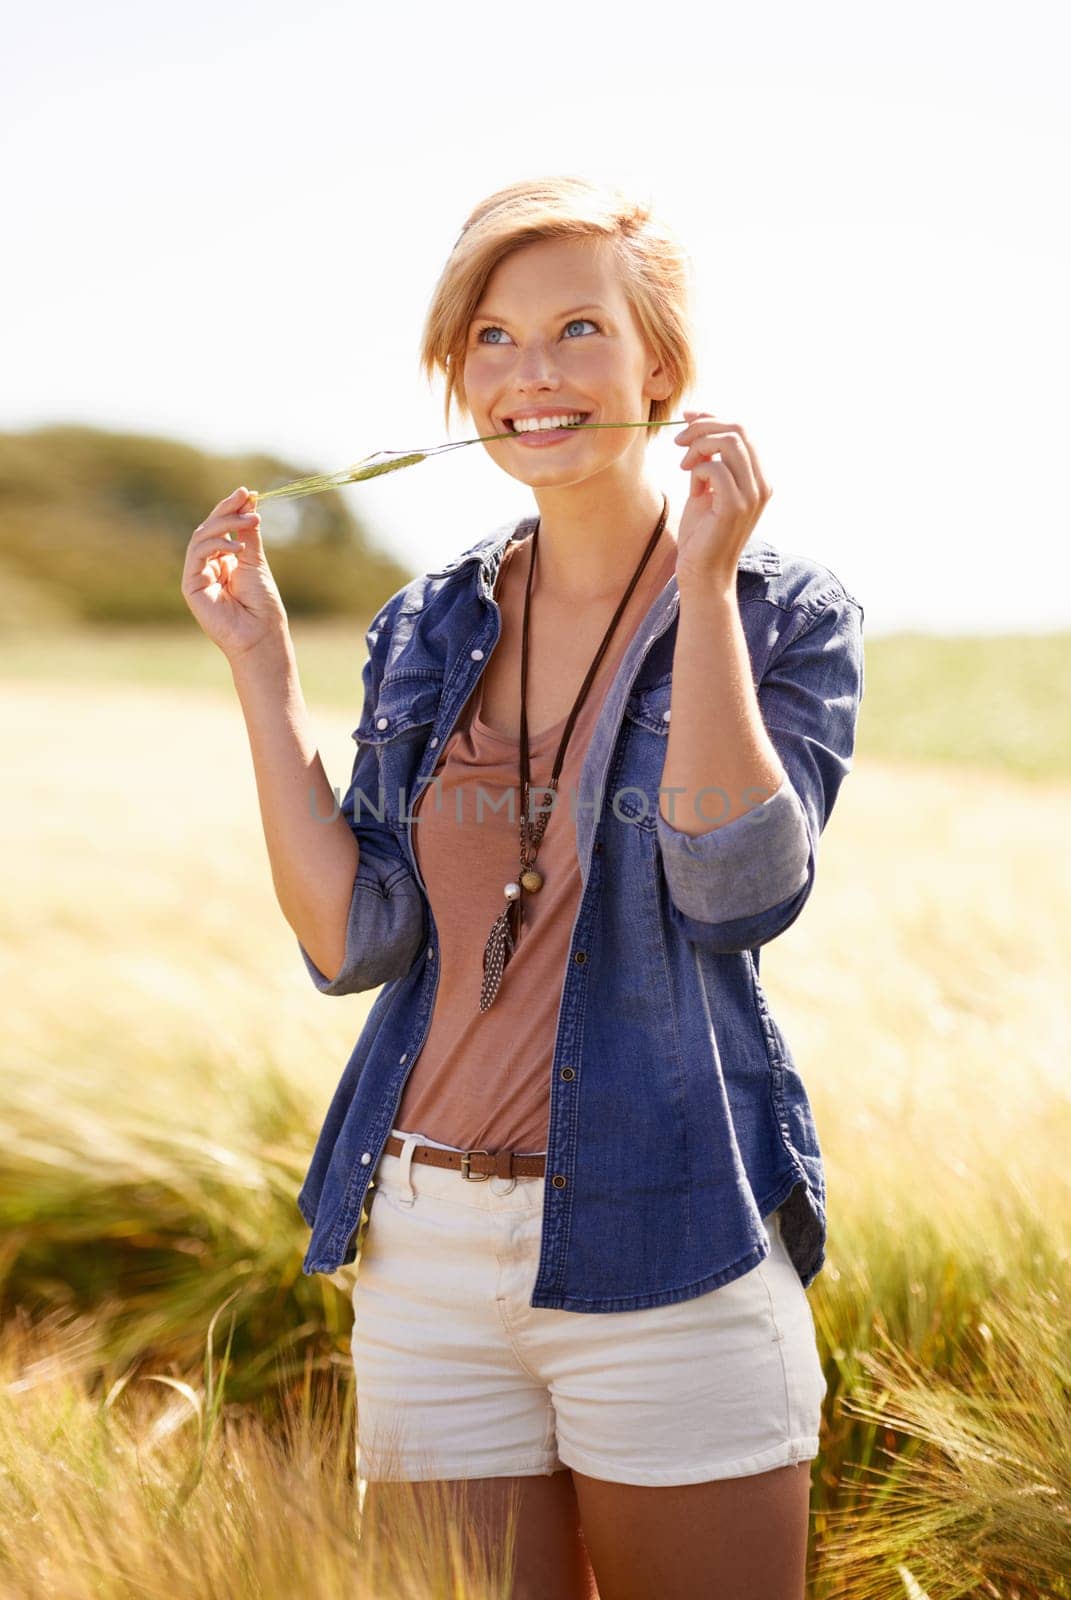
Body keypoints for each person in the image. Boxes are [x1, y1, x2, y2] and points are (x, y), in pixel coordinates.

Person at [182, 174, 865, 1600]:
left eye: (576, 331)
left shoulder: (780, 611)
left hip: (668, 1229)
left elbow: (735, 891)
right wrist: (261, 670)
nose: (529, 375)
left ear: (657, 368)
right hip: (422, 1249)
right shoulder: (430, 622)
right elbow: (352, 935)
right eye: (490, 339)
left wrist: (705, 578)